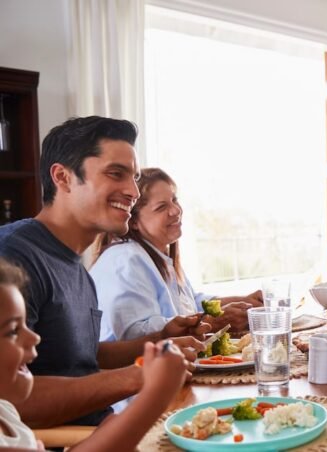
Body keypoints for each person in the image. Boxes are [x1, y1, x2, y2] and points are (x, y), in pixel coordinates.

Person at [0, 116, 206, 428]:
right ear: (63, 177)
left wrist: (161, 339)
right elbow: (8, 400)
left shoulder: (76, 265)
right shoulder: (13, 257)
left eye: (134, 178)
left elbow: (80, 358)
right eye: (116, 174)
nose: (133, 191)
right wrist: (137, 377)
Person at [0, 257, 189, 450]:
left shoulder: (5, 412)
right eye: (13, 330)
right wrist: (155, 395)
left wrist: (108, 431)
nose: (35, 338)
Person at [90, 167, 263, 341]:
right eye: (161, 207)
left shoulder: (157, 256)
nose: (176, 211)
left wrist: (245, 302)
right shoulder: (126, 260)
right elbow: (134, 334)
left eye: (174, 200)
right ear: (133, 221)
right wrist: (214, 321)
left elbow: (190, 303)